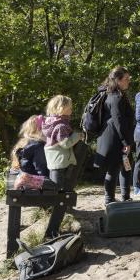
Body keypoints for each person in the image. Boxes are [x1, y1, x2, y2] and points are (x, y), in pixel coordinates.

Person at [42, 95, 88, 238]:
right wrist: (78, 136)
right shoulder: (61, 125)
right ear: (61, 109)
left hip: (55, 162)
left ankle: (53, 228)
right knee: (61, 197)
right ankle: (52, 231)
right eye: (70, 107)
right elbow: (65, 143)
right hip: (60, 163)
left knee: (59, 195)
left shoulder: (52, 122)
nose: (72, 110)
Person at [94, 66, 135, 204]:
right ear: (117, 80)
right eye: (126, 79)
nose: (128, 81)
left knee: (126, 166)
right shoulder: (115, 97)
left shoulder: (115, 94)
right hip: (115, 139)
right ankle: (109, 200)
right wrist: (126, 142)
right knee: (114, 169)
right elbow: (119, 122)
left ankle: (126, 197)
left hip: (118, 138)